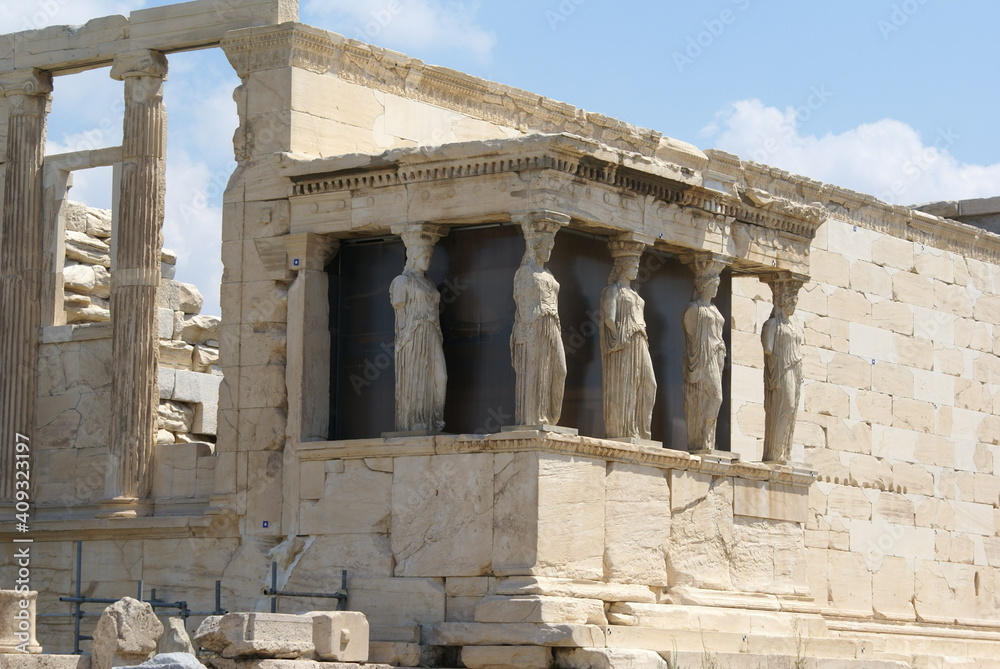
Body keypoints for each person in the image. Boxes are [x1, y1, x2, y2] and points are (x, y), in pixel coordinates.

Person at [390, 232, 447, 432]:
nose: (428, 260)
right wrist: (405, 343)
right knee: (417, 376)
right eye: (425, 256)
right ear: (413, 257)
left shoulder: (430, 283)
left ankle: (434, 419)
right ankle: (415, 420)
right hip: (413, 335)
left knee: (440, 377)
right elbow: (400, 317)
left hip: (432, 332)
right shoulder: (402, 281)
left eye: (430, 257)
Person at [511, 222, 565, 426]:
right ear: (536, 247)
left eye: (551, 247)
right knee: (535, 370)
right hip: (534, 325)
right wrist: (528, 330)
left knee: (560, 369)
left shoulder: (549, 273)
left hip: (552, 324)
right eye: (546, 247)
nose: (549, 251)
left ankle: (551, 418)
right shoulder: (525, 272)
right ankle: (533, 417)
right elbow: (521, 301)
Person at [601, 244, 656, 440]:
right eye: (633, 266)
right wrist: (618, 337)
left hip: (640, 339)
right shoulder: (613, 290)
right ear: (623, 267)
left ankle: (642, 430)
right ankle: (625, 429)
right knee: (628, 383)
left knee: (649, 383)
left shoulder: (635, 295)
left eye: (637, 266)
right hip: (625, 340)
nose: (636, 269)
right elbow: (609, 318)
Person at [682, 266, 726, 451]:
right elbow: (691, 335)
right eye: (713, 285)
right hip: (704, 358)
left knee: (713, 397)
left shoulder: (714, 309)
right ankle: (703, 433)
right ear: (703, 286)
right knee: (716, 396)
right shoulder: (694, 309)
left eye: (717, 285)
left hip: (717, 356)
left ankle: (707, 436)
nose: (716, 289)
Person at [761, 279, 804, 462]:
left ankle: (784, 451)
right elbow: (768, 349)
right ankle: (775, 450)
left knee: (792, 409)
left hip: (795, 370)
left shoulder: (794, 327)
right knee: (786, 406)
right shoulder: (771, 325)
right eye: (791, 301)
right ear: (782, 302)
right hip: (781, 371)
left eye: (795, 302)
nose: (793, 305)